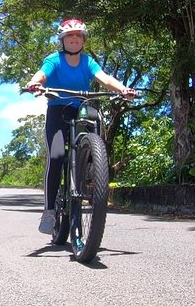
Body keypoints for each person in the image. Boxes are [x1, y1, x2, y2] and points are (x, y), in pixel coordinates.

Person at [25, 18, 135, 235]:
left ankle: (91, 172)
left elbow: (104, 79)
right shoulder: (54, 59)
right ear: (63, 39)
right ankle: (48, 211)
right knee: (56, 156)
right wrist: (34, 82)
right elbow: (42, 74)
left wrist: (123, 89)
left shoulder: (87, 62)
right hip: (58, 110)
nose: (74, 39)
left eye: (78, 36)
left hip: (81, 108)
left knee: (95, 127)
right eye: (70, 36)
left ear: (83, 40)